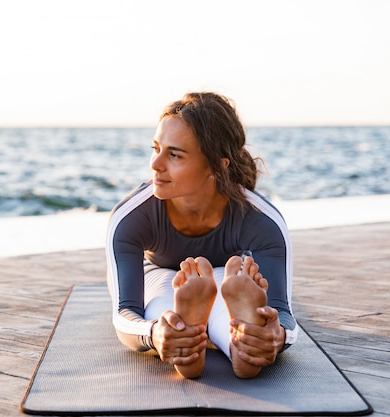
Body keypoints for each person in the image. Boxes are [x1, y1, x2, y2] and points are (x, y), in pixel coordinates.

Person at [105, 92, 298, 379]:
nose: (155, 164)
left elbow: (283, 315)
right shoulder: (131, 217)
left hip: (225, 275)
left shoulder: (260, 220)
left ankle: (241, 346)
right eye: (155, 148)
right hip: (157, 272)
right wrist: (156, 333)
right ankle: (203, 340)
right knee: (161, 308)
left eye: (174, 155)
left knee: (223, 293)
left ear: (217, 166)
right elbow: (125, 311)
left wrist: (272, 336)